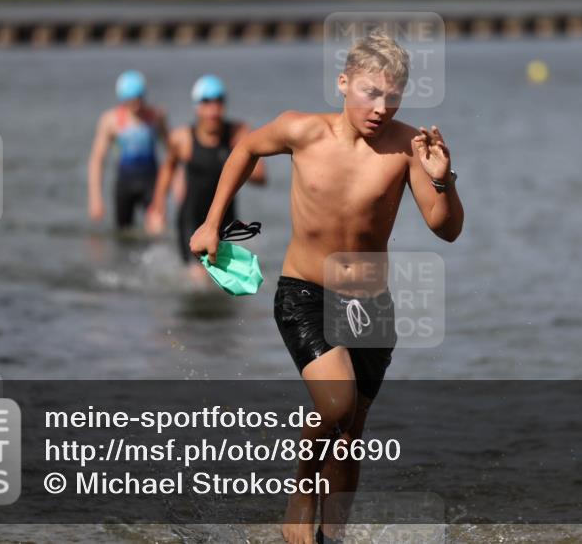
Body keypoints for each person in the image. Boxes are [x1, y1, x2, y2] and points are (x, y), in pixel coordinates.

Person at [188, 32, 464, 544]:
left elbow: (445, 229)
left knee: (351, 436)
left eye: (393, 96)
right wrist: (211, 222)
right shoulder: (303, 130)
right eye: (370, 92)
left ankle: (331, 537)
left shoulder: (408, 148)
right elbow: (245, 148)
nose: (380, 108)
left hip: (371, 305)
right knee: (337, 406)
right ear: (343, 83)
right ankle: (301, 494)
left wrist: (443, 180)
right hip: (305, 294)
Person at [146, 74, 266, 278]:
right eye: (206, 102)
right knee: (198, 278)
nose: (213, 109)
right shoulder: (182, 139)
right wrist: (158, 207)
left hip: (224, 218)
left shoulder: (238, 135)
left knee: (226, 280)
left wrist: (239, 157)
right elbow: (167, 169)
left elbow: (261, 177)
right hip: (191, 220)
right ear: (197, 106)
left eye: (218, 101)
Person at [87, 70, 167, 230]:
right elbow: (97, 160)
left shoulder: (156, 116)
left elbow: (171, 151)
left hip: (151, 182)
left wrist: (178, 182)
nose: (136, 105)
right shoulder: (110, 120)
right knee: (123, 232)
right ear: (123, 99)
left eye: (139, 99)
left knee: (157, 227)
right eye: (131, 101)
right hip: (125, 183)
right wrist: (95, 198)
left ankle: (156, 246)